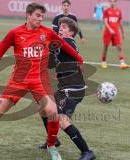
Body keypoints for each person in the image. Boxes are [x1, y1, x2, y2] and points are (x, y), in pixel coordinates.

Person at [0, 3, 84, 160]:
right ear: (28, 15)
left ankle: (52, 146)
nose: (40, 19)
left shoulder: (47, 33)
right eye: (37, 15)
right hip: (18, 80)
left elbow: (63, 45)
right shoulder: (15, 33)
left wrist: (79, 59)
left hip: (39, 80)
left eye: (42, 16)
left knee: (53, 113)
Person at [39, 17, 96, 160]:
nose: (60, 29)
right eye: (60, 27)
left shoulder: (68, 42)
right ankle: (53, 140)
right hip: (65, 87)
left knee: (62, 119)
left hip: (74, 88)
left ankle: (87, 152)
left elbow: (52, 46)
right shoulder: (62, 45)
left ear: (71, 33)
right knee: (44, 108)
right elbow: (51, 62)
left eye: (64, 27)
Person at [101, 0, 129, 69]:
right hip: (108, 32)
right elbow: (105, 22)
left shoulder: (119, 11)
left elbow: (120, 23)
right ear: (109, 2)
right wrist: (110, 29)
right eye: (111, 1)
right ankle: (103, 62)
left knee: (119, 47)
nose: (112, 3)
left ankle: (122, 63)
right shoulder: (106, 11)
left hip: (116, 32)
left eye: (113, 1)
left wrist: (123, 33)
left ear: (116, 2)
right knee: (106, 47)